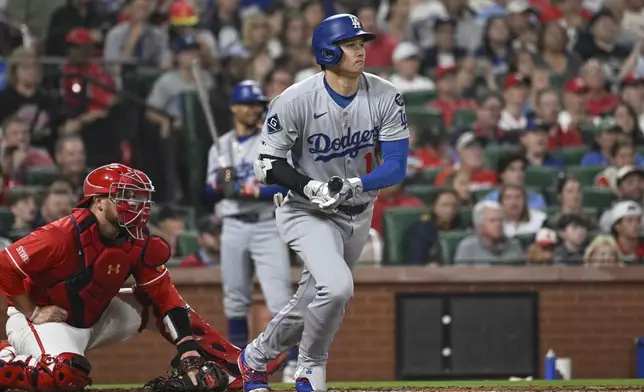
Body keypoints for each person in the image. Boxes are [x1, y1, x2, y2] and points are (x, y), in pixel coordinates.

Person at [0, 163, 285, 391]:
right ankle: (5, 358)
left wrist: (186, 345)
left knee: (162, 304)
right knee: (67, 375)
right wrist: (33, 311)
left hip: (94, 317)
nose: (136, 204)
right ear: (98, 202)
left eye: (138, 196)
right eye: (125, 196)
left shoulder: (136, 240)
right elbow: (4, 264)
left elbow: (165, 297)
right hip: (47, 320)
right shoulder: (61, 234)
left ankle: (241, 364)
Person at [244, 14, 410, 392]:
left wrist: (353, 184)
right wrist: (309, 187)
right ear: (326, 51)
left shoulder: (386, 94)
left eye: (361, 44)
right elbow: (266, 164)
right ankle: (310, 367)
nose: (360, 51)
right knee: (337, 287)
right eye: (350, 45)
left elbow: (396, 166)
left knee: (314, 298)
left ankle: (253, 359)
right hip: (306, 209)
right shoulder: (296, 99)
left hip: (357, 209)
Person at [205, 80, 298, 382]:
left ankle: (295, 362)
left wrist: (247, 190)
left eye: (257, 104)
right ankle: (240, 365)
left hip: (266, 224)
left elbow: (284, 182)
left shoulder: (272, 141)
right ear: (234, 107)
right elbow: (211, 193)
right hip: (233, 226)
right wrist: (222, 182)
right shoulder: (220, 147)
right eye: (246, 104)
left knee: (280, 299)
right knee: (235, 300)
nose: (252, 109)